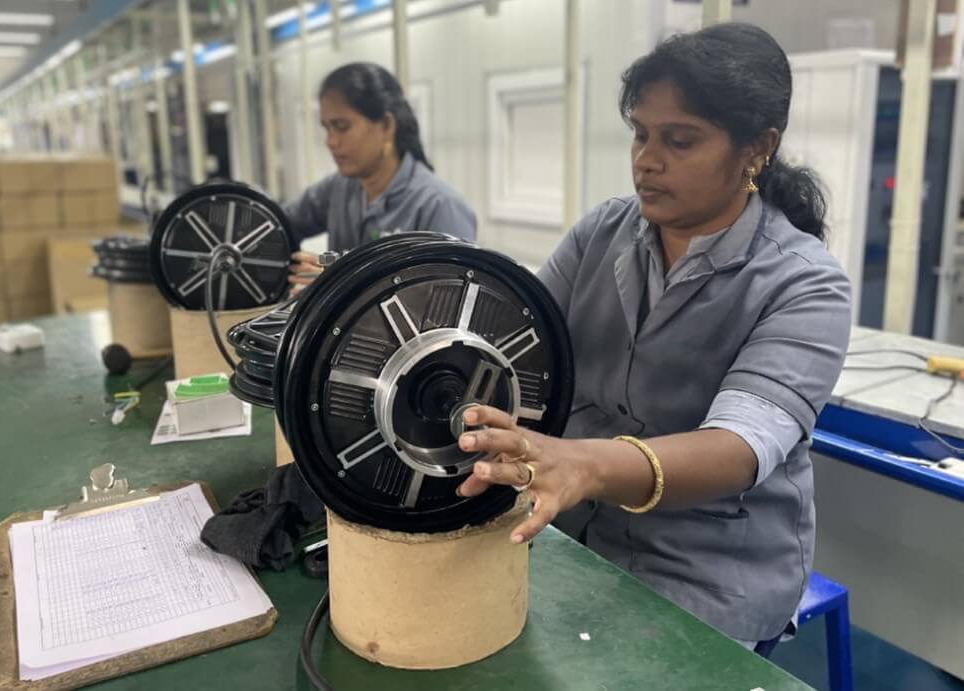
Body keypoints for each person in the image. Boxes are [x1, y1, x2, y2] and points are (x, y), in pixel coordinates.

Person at [455, 23, 851, 653]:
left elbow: (736, 449)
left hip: (710, 566)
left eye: (680, 140)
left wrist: (580, 462)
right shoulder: (601, 235)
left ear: (757, 148)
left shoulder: (804, 285)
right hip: (580, 531)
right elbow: (509, 339)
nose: (646, 158)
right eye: (641, 133)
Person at [285, 62, 476, 292]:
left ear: (386, 125)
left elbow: (449, 305)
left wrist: (339, 284)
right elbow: (279, 226)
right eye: (327, 128)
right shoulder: (338, 189)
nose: (331, 142)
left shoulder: (440, 208)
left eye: (342, 126)